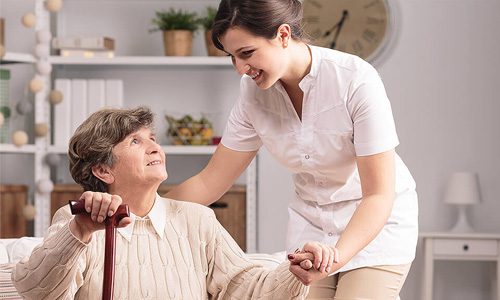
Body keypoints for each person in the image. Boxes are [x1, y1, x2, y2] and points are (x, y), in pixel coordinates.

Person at [165, 0, 419, 299]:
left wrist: (335, 255)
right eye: (231, 57)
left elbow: (377, 195)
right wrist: (135, 208)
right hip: (312, 228)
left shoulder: (354, 79)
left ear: (283, 35)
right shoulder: (252, 96)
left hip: (375, 226)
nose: (240, 69)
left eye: (246, 53)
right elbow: (211, 181)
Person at [12, 106, 315, 299]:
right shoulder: (77, 221)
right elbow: (37, 290)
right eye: (135, 141)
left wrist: (294, 274)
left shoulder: (197, 220)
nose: (154, 147)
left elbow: (245, 287)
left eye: (153, 138)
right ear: (103, 170)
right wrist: (79, 231)